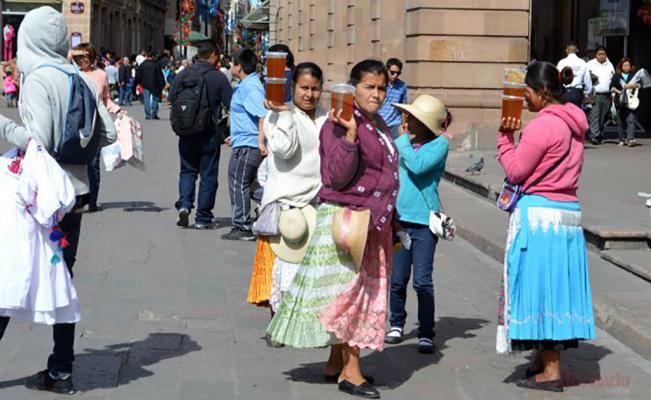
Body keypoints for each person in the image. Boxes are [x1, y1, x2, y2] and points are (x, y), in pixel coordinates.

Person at [0, 6, 115, 394]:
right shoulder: (79, 78)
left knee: (14, 273)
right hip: (74, 197)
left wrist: (2, 125)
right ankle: (61, 371)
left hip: (39, 202)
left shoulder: (37, 80)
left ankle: (59, 369)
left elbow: (39, 144)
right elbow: (109, 133)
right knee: (60, 278)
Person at [267, 59, 398, 399]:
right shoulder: (340, 123)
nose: (377, 94)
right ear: (353, 87)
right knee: (354, 297)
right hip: (350, 221)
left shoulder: (378, 121)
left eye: (382, 88)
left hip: (372, 221)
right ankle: (351, 373)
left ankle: (334, 361)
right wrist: (351, 136)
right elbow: (336, 176)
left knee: (348, 293)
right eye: (370, 87)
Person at [496, 62, 595, 393]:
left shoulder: (543, 126)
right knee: (556, 288)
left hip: (540, 217)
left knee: (541, 290)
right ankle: (541, 360)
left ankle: (551, 370)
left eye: (527, 92)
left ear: (541, 92)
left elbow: (515, 171)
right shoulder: (573, 123)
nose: (523, 98)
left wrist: (504, 138)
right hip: (567, 214)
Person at [248, 62, 327, 318]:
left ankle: (306, 324)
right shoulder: (278, 115)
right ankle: (278, 323)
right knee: (282, 269)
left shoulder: (327, 116)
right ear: (292, 86)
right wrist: (284, 114)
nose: (309, 94)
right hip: (287, 206)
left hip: (318, 202)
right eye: (304, 87)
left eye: (315, 89)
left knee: (313, 271)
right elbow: (284, 150)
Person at [384, 95, 452, 354]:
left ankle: (426, 331)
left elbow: (418, 166)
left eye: (411, 117)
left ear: (424, 122)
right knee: (398, 278)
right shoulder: (405, 144)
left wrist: (400, 140)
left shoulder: (439, 145)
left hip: (424, 224)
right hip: (400, 221)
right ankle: (396, 323)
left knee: (422, 281)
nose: (406, 121)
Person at [168, 40, 232, 229]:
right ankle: (203, 218)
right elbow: (231, 104)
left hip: (185, 133)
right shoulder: (218, 77)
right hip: (209, 133)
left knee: (187, 171)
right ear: (212, 55)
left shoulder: (183, 74)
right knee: (208, 175)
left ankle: (185, 205)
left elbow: (171, 98)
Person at [72, 43, 125, 213]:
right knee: (75, 163)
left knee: (93, 164)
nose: (81, 61)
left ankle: (92, 201)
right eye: (78, 58)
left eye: (85, 57)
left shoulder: (101, 75)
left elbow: (105, 98)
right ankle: (77, 198)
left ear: (92, 58)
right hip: (76, 123)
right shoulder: (73, 73)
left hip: (95, 123)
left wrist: (117, 109)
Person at [222, 48, 267, 241]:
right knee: (241, 183)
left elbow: (263, 115)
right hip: (243, 141)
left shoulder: (251, 87)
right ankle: (277, 201)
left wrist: (259, 141)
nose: (231, 66)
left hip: (250, 145)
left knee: (240, 182)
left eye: (233, 63)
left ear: (239, 67)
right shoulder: (246, 84)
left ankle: (242, 225)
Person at [610, 57, 641, 147]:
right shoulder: (616, 76)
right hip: (619, 101)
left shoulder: (634, 75)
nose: (626, 67)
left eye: (628, 65)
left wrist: (633, 85)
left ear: (631, 66)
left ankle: (630, 139)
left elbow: (640, 85)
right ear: (621, 66)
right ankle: (621, 139)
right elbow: (611, 87)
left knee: (631, 120)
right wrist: (618, 91)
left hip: (631, 101)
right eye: (624, 65)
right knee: (620, 122)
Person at [586, 46, 615, 145]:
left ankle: (600, 135)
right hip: (594, 94)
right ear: (596, 55)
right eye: (599, 54)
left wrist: (613, 94)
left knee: (603, 116)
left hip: (607, 95)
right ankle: (594, 136)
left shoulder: (610, 65)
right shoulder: (590, 64)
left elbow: (613, 80)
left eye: (603, 54)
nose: (602, 56)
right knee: (594, 115)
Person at [378, 58, 408, 138]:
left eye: (398, 73)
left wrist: (403, 123)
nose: (395, 75)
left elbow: (403, 107)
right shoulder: (379, 84)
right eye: (392, 72)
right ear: (386, 70)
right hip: (379, 123)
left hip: (395, 124)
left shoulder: (402, 86)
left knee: (398, 147)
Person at [557, 42, 592, 107]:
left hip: (564, 92)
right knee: (576, 114)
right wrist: (587, 92)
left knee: (565, 113)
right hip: (577, 92)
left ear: (566, 50)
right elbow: (587, 79)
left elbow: (557, 78)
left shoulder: (561, 62)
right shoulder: (582, 62)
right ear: (577, 50)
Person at [135, 51, 165, 120]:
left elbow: (138, 75)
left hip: (145, 84)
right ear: (153, 57)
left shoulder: (142, 64)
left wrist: (138, 82)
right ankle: (154, 114)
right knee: (155, 99)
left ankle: (148, 114)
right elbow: (160, 75)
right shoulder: (156, 64)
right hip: (155, 84)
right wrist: (163, 83)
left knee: (146, 99)